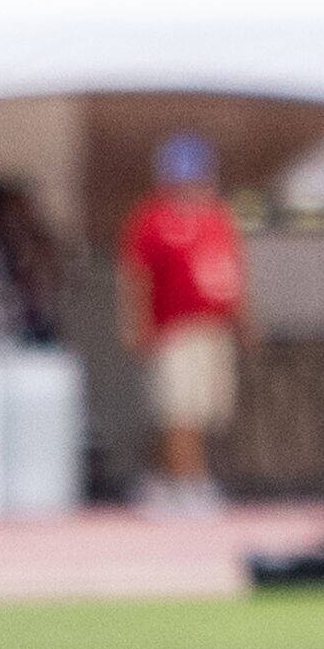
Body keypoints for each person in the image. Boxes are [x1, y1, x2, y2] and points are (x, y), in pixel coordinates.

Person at [119, 133, 250, 512]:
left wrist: (242, 320)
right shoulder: (152, 220)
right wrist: (136, 322)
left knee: (205, 411)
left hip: (214, 328)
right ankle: (188, 483)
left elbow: (233, 272)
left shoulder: (217, 217)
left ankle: (164, 480)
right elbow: (135, 275)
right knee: (179, 410)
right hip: (175, 329)